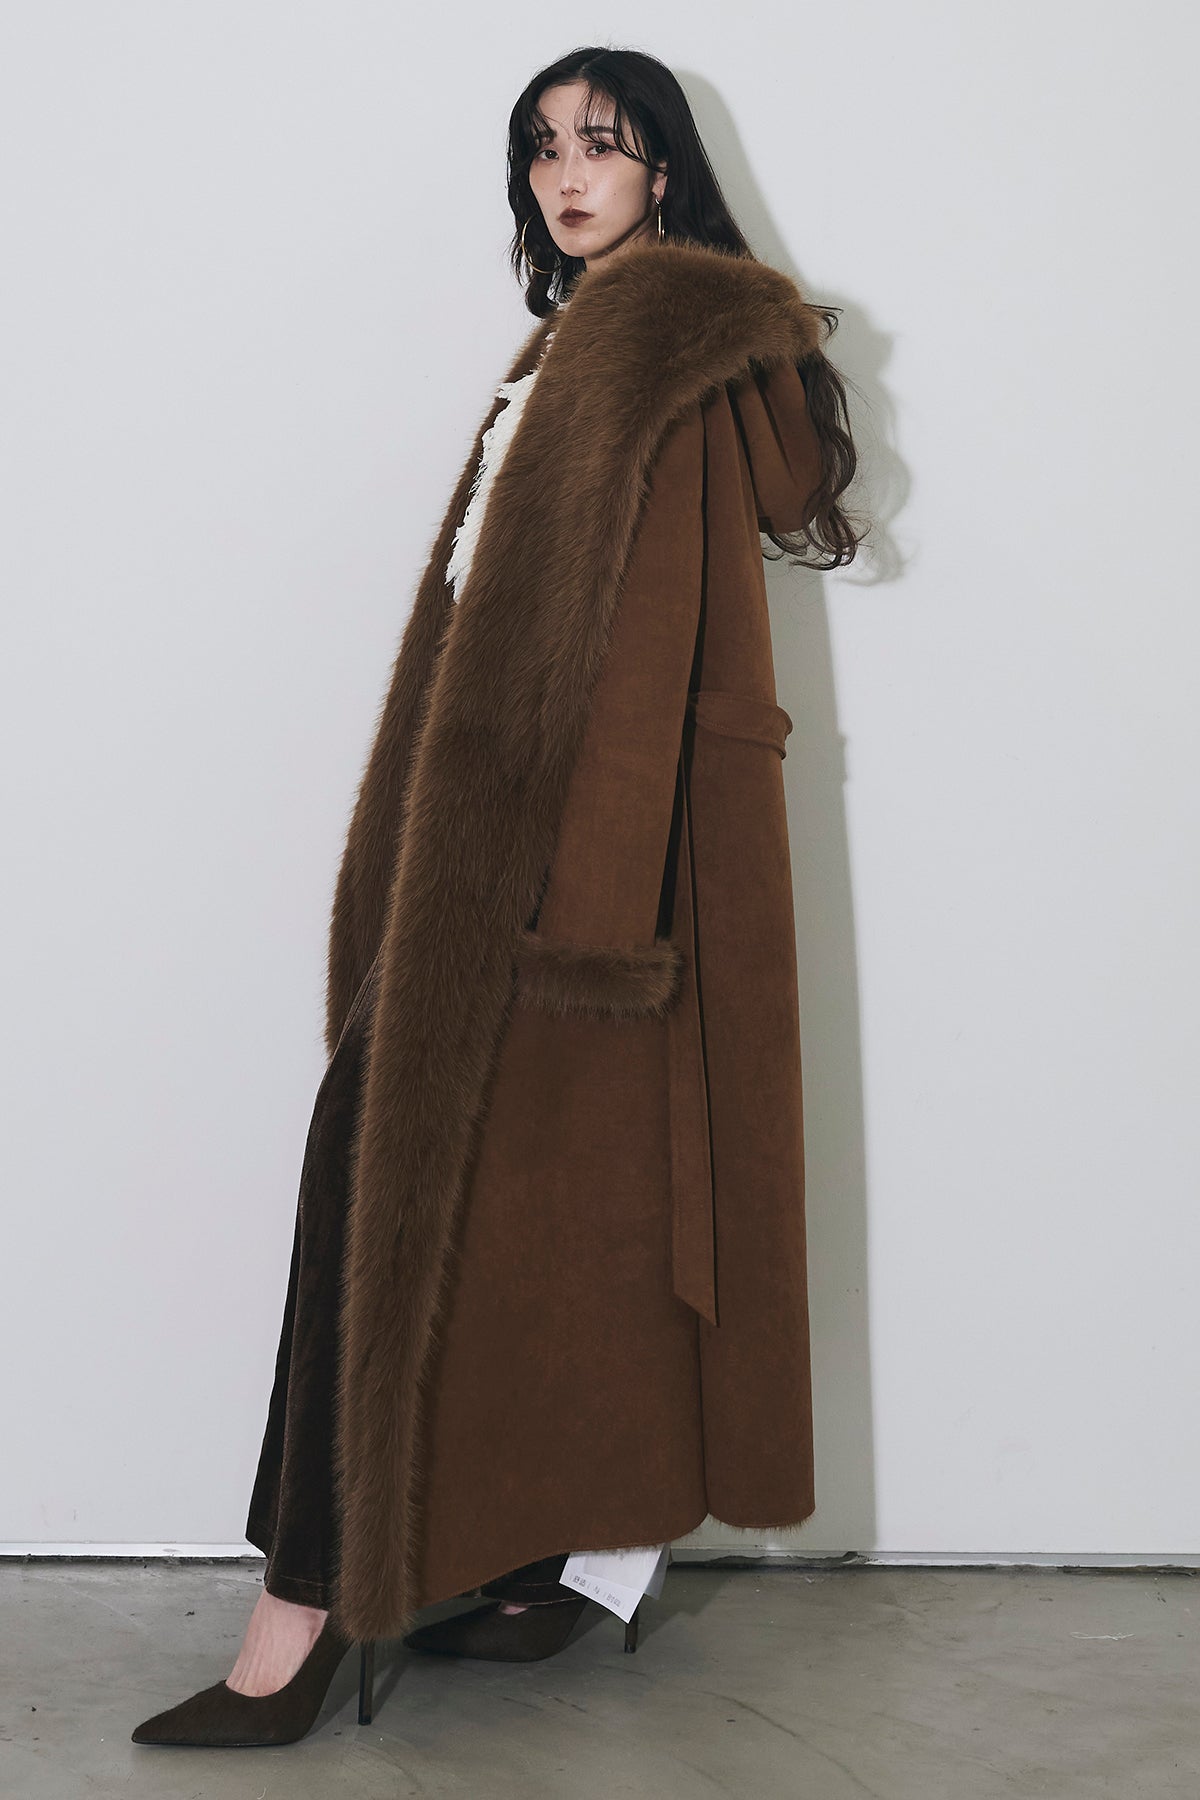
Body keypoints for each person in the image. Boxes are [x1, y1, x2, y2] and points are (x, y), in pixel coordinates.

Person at [131, 43, 863, 1750]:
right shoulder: (584, 344)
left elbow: (643, 652)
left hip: (557, 897)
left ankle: (297, 1630)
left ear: (665, 169)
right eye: (542, 148)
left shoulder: (646, 342)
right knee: (534, 1230)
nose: (566, 174)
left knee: (391, 1207)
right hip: (539, 880)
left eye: (603, 143)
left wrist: (569, 931)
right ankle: (548, 1565)